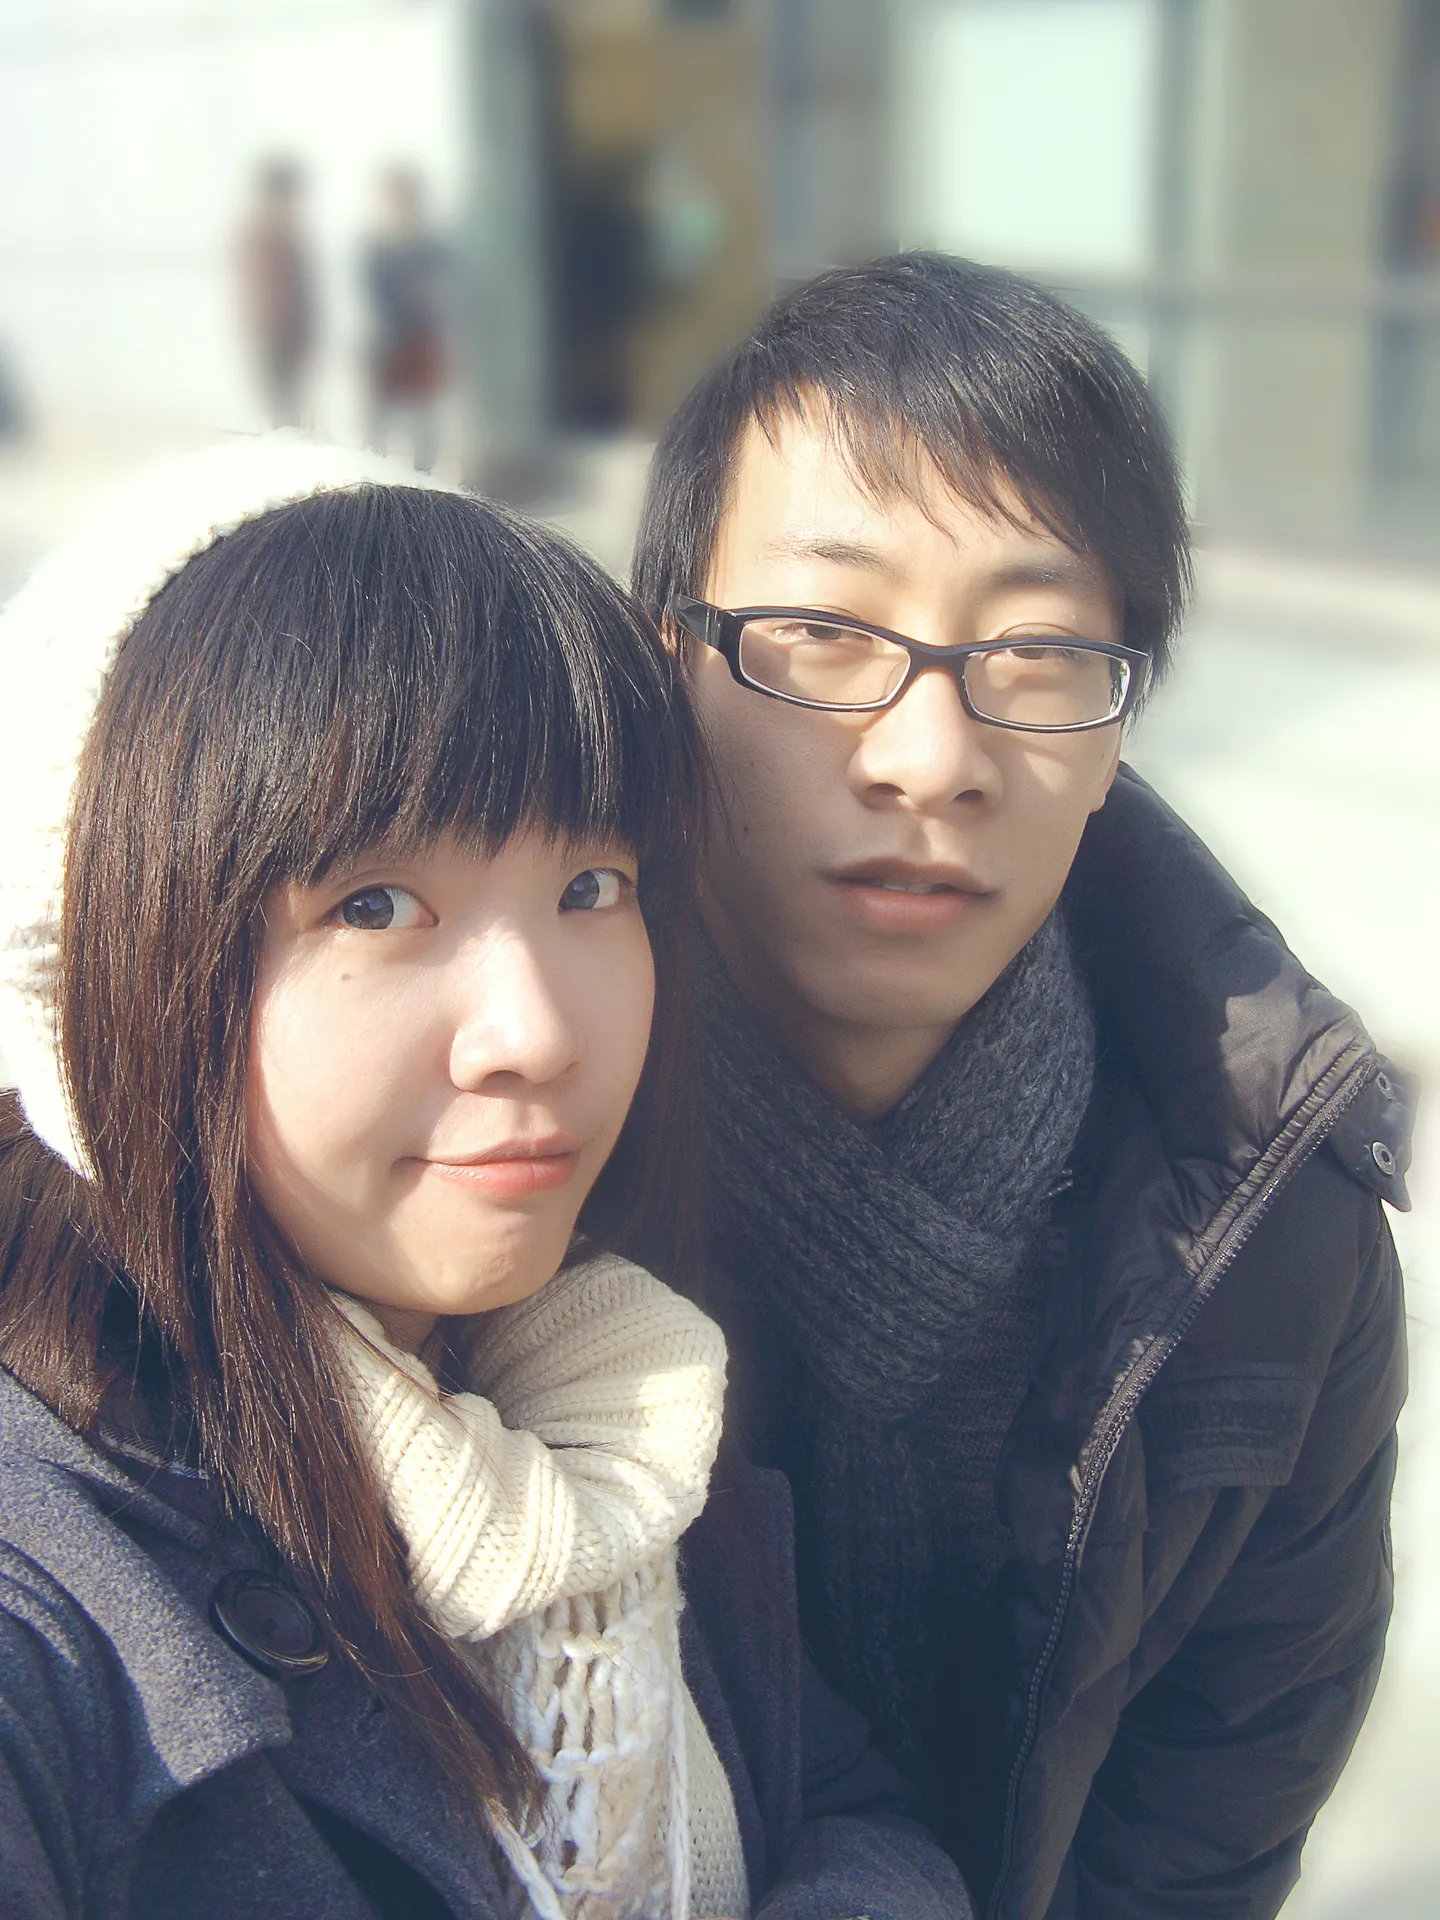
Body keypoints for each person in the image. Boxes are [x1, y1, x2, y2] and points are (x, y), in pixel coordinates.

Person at [0, 434, 971, 1920]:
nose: (535, 1032)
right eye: (376, 905)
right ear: (102, 972)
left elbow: (848, 1807)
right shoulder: (47, 1608)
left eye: (592, 886)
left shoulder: (601, 1398)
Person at [631, 253, 1414, 1920]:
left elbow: (1201, 1838)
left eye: (1043, 651)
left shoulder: (1278, 1236)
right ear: (668, 659)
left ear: (1120, 724)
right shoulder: (507, 1147)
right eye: (823, 634)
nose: (929, 759)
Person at [362, 167, 450, 472]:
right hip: (386, 347)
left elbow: (445, 296)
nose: (398, 207)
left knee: (424, 430)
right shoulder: (375, 250)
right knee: (378, 429)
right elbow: (371, 298)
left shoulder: (433, 249)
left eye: (404, 199)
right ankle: (377, 488)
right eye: (392, 200)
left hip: (421, 345)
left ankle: (423, 485)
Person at [235, 158, 317, 429]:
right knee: (282, 412)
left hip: (292, 338)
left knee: (290, 410)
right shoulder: (261, 235)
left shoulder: (291, 236)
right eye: (289, 194)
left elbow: (305, 292)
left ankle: (287, 438)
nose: (294, 203)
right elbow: (261, 293)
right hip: (274, 339)